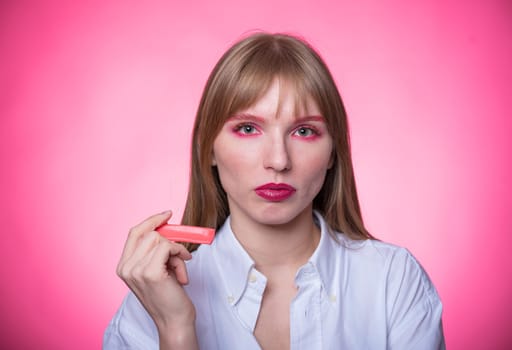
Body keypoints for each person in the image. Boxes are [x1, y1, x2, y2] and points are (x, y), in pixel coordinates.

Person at [103, 32, 445, 349]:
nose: (279, 161)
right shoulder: (152, 300)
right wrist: (175, 329)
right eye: (248, 128)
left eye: (304, 132)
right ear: (208, 148)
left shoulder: (393, 280)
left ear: (332, 153)